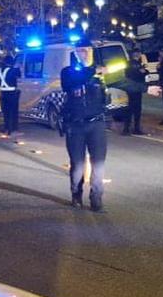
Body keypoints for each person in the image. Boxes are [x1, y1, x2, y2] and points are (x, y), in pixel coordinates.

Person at [60, 52, 109, 211]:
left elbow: (122, 81)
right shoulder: (68, 72)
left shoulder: (99, 74)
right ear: (75, 53)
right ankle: (76, 194)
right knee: (78, 165)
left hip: (97, 124)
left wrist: (146, 87)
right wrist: (94, 70)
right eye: (81, 50)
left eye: (88, 50)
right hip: (75, 126)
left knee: (99, 164)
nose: (86, 54)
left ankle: (96, 200)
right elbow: (72, 82)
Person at [121, 50, 147, 135]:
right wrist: (144, 71)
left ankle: (126, 129)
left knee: (129, 108)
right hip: (136, 88)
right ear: (138, 54)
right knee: (136, 109)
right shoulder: (137, 64)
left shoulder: (128, 63)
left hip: (129, 88)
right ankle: (135, 128)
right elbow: (142, 73)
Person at [0, 54, 21, 136]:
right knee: (13, 111)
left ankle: (6, 128)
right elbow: (19, 75)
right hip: (12, 93)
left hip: (3, 93)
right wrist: (18, 67)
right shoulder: (13, 70)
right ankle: (13, 128)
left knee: (5, 112)